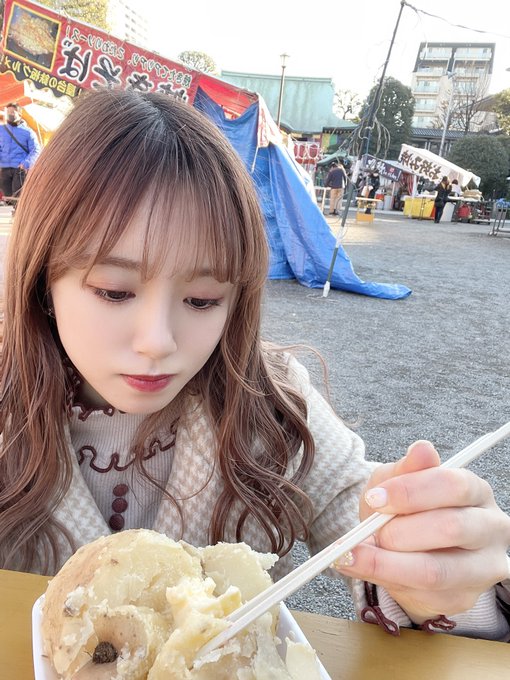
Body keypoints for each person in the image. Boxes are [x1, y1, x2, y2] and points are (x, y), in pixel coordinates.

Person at [1, 89, 509, 643]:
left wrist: (431, 570)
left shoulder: (269, 400)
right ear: (41, 279)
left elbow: (360, 514)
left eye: (202, 300)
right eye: (114, 291)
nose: (158, 342)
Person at [0, 102, 40, 209]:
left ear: (20, 114)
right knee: (8, 197)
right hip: (4, 169)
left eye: (12, 112)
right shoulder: (1, 130)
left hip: (19, 169)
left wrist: (26, 163)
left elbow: (36, 150)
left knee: (18, 197)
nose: (10, 114)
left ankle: (19, 214)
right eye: (8, 112)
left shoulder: (28, 132)